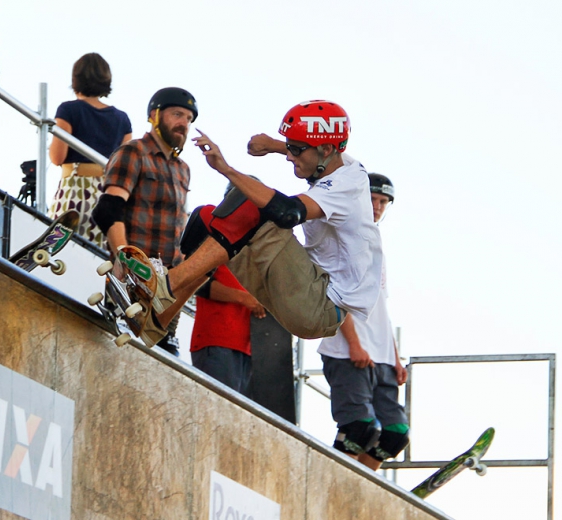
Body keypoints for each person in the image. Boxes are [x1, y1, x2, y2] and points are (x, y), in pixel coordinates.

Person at [141, 100, 383, 413]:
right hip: (301, 289)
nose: (291, 158)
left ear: (324, 151)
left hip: (319, 303)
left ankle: (167, 284)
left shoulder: (346, 185)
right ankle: (158, 317)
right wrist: (275, 146)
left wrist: (226, 168)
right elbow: (310, 149)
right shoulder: (335, 158)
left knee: (251, 197)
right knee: (207, 219)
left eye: (296, 151)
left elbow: (287, 212)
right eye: (291, 149)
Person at [92, 87, 198, 357]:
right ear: (155, 115)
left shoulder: (183, 169)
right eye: (177, 114)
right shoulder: (134, 151)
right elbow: (108, 210)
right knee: (117, 355)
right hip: (131, 282)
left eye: (188, 118)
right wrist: (127, 263)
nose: (183, 124)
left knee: (160, 369)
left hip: (167, 289)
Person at [317, 172, 409, 471]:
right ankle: (337, 484)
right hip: (347, 350)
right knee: (360, 427)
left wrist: (395, 357)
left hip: (381, 355)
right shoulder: (342, 234)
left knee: (395, 434)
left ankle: (361, 487)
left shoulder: (376, 240)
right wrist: (354, 343)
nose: (379, 206)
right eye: (373, 199)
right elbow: (333, 294)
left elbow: (380, 305)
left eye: (384, 201)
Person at [48, 53, 132, 249]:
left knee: (59, 248)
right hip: (107, 193)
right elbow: (124, 166)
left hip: (75, 188)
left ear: (75, 79)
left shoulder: (68, 110)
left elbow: (56, 157)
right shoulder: (122, 119)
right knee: (97, 257)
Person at [191, 262, 265, 395]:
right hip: (217, 341)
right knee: (216, 409)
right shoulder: (212, 244)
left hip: (249, 346)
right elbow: (195, 281)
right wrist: (243, 297)